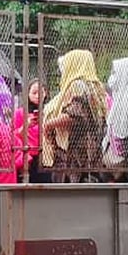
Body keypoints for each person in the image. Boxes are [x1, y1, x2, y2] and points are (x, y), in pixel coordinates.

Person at [41, 49, 109, 183]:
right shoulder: (95, 87)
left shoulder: (77, 85)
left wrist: (49, 124)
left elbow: (75, 114)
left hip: (75, 154)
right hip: (92, 152)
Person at [13, 79, 50, 182]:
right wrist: (26, 126)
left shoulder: (49, 112)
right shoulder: (20, 113)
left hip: (44, 156)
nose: (38, 96)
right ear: (28, 94)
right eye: (34, 93)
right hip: (26, 156)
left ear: (46, 94)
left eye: (41, 92)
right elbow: (13, 136)